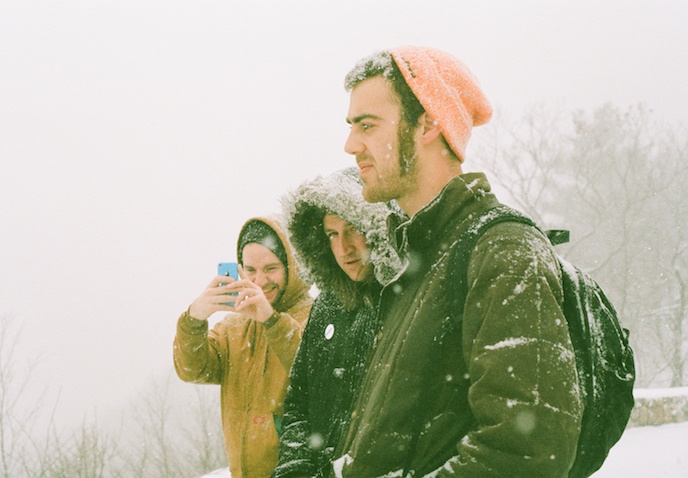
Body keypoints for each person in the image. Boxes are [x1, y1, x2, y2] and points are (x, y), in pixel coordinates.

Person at [333, 46, 584, 477]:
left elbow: (526, 451)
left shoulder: (502, 250)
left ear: (429, 122)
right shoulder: (417, 260)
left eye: (367, 125)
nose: (350, 145)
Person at [272, 167, 402, 478]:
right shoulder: (328, 305)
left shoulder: (406, 299)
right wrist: (294, 470)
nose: (344, 248)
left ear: (376, 227)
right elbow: (298, 404)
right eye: (332, 234)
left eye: (352, 229)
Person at [173, 216, 313, 478]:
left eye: (270, 268)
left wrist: (271, 321)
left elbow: (315, 370)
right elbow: (192, 369)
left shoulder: (316, 316)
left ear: (291, 267)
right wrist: (194, 318)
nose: (259, 280)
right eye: (250, 270)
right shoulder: (233, 328)